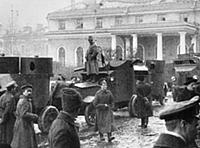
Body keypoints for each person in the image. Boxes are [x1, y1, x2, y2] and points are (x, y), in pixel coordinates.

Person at [11, 84, 38, 148]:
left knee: (22, 141)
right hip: (24, 125)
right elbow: (24, 114)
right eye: (28, 91)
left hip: (23, 124)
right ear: (23, 92)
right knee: (24, 142)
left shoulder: (26, 100)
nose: (29, 93)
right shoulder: (24, 101)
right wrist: (34, 116)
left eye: (30, 91)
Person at [0, 81, 17, 148]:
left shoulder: (2, 96)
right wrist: (3, 120)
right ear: (12, 89)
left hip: (2, 117)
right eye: (15, 88)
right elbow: (8, 111)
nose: (15, 90)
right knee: (9, 137)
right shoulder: (11, 97)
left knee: (2, 135)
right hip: (9, 119)